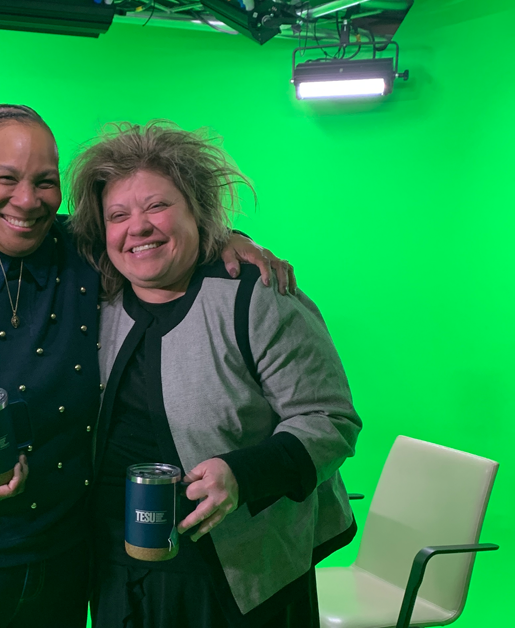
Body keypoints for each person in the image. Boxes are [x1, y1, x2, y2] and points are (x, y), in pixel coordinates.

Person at [0, 105, 296, 628]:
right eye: (6, 179)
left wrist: (224, 241)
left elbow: (147, 233)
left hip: (65, 562)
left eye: (45, 182)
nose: (27, 201)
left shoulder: (79, 250)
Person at [69, 121, 361, 628]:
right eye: (118, 214)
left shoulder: (257, 296)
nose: (137, 227)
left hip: (240, 572)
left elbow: (329, 419)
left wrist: (243, 476)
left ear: (198, 212)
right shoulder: (101, 301)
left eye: (158, 206)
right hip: (119, 565)